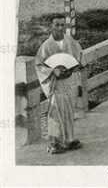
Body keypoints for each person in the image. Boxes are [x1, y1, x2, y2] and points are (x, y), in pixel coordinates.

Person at [35, 18, 83, 154]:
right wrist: (52, 71)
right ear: (51, 26)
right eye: (57, 25)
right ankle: (54, 142)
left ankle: (69, 140)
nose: (60, 27)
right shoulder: (46, 46)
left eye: (62, 25)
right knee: (54, 112)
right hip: (55, 84)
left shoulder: (70, 42)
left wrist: (74, 67)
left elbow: (79, 57)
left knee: (68, 111)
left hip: (69, 81)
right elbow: (39, 65)